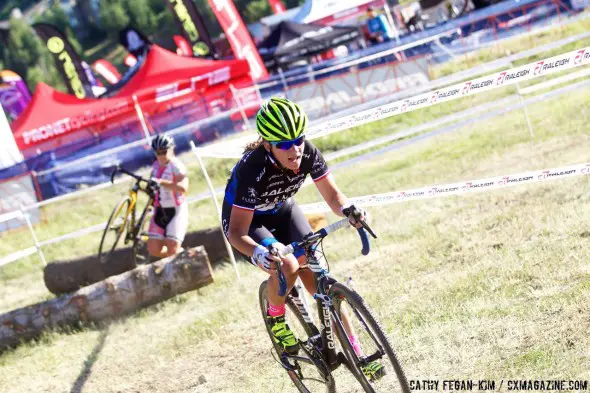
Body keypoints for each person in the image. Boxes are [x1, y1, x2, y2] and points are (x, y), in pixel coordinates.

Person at [221, 97, 384, 379]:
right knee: (287, 265)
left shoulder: (306, 152)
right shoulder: (253, 168)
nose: (294, 149)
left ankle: (359, 354)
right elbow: (237, 233)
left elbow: (333, 196)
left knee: (317, 273)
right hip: (249, 224)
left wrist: (349, 210)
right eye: (284, 144)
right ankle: (275, 316)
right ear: (268, 144)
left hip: (284, 211)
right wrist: (261, 253)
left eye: (298, 139)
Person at [146, 134, 189, 258]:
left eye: (164, 152)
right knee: (153, 250)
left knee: (172, 247)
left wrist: (162, 182)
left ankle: (178, 257)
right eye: (157, 152)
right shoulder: (155, 166)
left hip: (176, 210)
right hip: (160, 211)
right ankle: (177, 257)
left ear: (171, 149)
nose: (161, 156)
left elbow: (183, 188)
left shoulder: (177, 166)